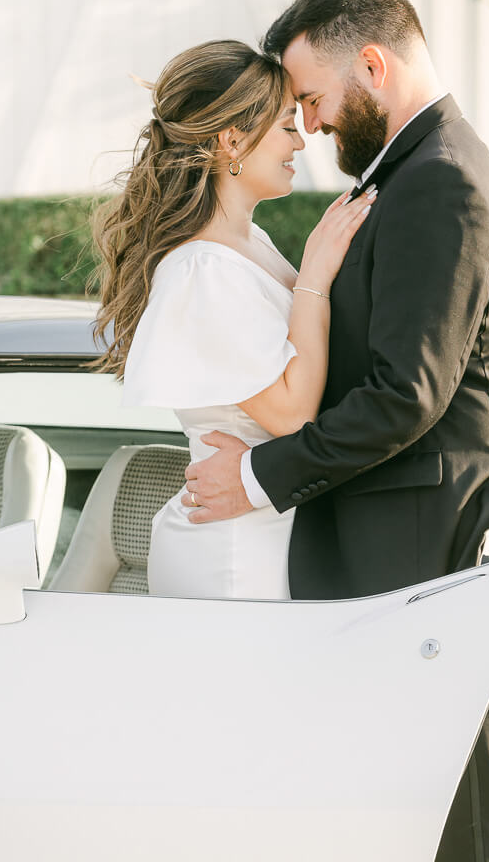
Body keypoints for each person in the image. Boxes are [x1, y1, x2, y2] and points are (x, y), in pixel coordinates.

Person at [185, 0, 489, 862]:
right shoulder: (405, 176)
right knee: (403, 801)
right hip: (410, 533)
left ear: (371, 63)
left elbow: (410, 393)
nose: (310, 124)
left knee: (464, 807)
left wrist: (253, 480)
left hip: (455, 537)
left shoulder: (443, 181)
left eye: (314, 99)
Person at [92, 39, 376, 598]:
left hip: (267, 529)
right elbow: (292, 416)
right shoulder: (204, 268)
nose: (301, 141)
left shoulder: (250, 243)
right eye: (287, 125)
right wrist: (316, 273)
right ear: (232, 140)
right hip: (234, 551)